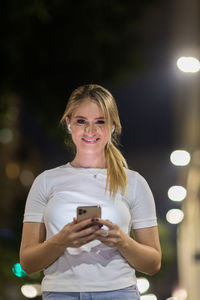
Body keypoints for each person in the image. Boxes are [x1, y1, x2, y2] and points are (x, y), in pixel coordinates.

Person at [20, 84, 161, 300]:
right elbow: (27, 263)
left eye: (100, 122)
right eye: (81, 121)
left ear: (113, 126)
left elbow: (153, 263)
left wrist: (123, 241)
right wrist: (61, 240)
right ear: (69, 124)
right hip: (60, 293)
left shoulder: (133, 182)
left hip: (119, 293)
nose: (90, 131)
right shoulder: (46, 181)